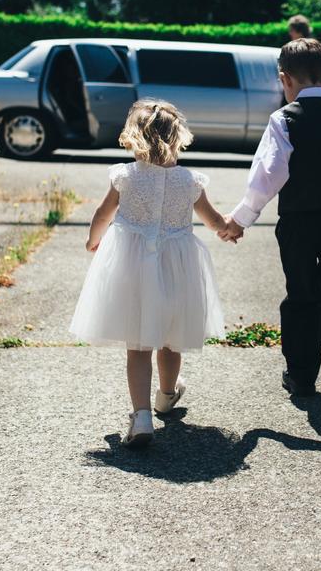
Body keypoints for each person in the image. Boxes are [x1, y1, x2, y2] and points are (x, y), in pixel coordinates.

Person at [219, 36, 321, 426]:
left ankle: (302, 377)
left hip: (300, 221)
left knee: (301, 294)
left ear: (285, 80)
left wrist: (241, 219)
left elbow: (268, 175)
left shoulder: (284, 119)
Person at [70, 100, 228, 448]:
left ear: (133, 138)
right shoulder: (189, 181)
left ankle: (141, 417)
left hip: (133, 268)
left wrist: (93, 241)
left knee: (138, 346)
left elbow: (102, 214)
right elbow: (213, 219)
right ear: (177, 138)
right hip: (176, 268)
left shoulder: (126, 176)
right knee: (171, 338)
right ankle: (167, 395)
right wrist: (229, 228)